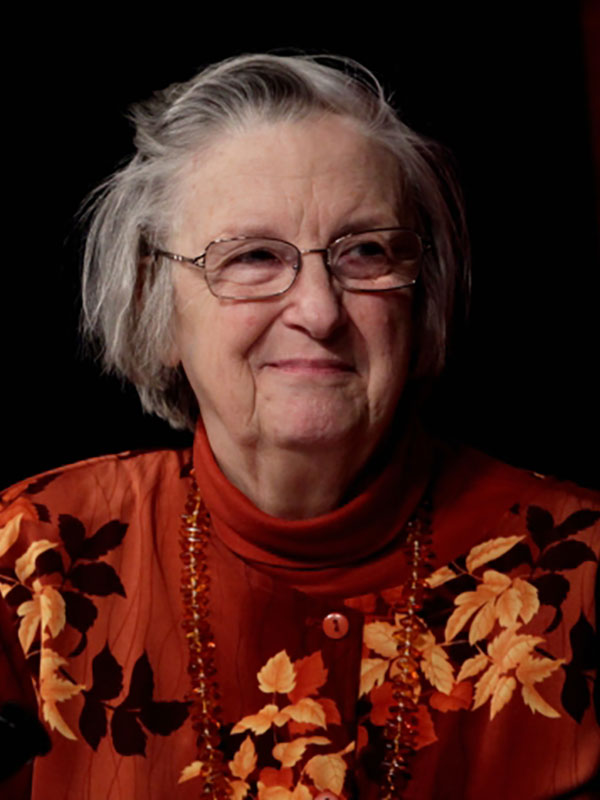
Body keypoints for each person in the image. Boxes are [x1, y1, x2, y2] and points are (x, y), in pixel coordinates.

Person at [0, 53, 598, 800]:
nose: (317, 311)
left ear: (421, 300)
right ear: (156, 308)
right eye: (251, 257)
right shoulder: (31, 561)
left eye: (366, 252)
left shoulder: (583, 571)